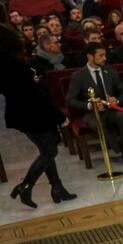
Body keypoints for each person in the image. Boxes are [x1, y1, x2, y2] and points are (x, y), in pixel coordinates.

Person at [1, 24, 76, 209]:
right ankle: (25, 186)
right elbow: (32, 95)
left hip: (22, 112)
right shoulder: (14, 64)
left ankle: (57, 188)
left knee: (46, 149)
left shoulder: (3, 63)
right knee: (50, 151)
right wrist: (59, 116)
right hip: (32, 112)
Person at [68, 42, 123, 167]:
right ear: (90, 57)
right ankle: (119, 148)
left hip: (111, 110)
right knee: (96, 122)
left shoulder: (111, 71)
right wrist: (90, 105)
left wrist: (117, 100)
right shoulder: (78, 76)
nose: (105, 58)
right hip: (91, 113)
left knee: (122, 117)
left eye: (105, 55)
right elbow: (70, 100)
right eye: (101, 55)